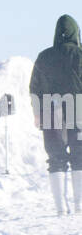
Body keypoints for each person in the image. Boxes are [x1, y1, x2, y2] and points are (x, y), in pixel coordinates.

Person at [29, 14, 82, 215]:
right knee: (80, 157)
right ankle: (79, 205)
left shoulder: (44, 56)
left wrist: (37, 112)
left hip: (51, 111)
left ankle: (60, 207)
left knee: (56, 157)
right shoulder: (80, 54)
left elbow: (34, 87)